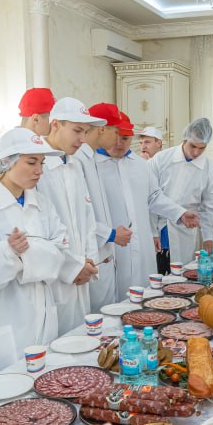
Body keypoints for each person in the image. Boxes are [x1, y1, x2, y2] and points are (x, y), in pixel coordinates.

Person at [0, 128, 74, 375]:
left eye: (41, 163)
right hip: (0, 319)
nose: (39, 171)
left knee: (45, 383)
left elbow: (60, 253)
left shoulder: (42, 203)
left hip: (42, 318)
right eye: (31, 162)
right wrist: (8, 252)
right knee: (6, 388)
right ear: (5, 163)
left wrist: (21, 255)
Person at [95, 112, 192, 301]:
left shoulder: (141, 165)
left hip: (141, 243)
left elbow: (154, 197)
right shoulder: (93, 165)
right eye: (116, 137)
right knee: (113, 301)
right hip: (110, 244)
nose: (119, 143)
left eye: (125, 139)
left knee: (145, 297)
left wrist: (179, 213)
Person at [37, 97, 105, 329]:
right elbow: (37, 231)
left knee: (80, 337)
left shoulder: (75, 165)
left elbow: (87, 218)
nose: (83, 139)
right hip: (52, 277)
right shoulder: (36, 167)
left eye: (85, 132)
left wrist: (89, 264)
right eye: (77, 131)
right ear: (55, 125)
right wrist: (72, 267)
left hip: (81, 275)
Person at [148, 118, 213, 266]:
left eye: (202, 148)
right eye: (193, 146)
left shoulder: (210, 170)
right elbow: (149, 195)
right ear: (185, 138)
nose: (196, 152)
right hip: (156, 225)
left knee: (181, 274)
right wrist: (152, 232)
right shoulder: (161, 159)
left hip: (185, 230)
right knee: (154, 272)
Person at [77, 103, 132, 309]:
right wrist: (109, 234)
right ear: (102, 129)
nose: (118, 139)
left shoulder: (90, 157)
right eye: (116, 132)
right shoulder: (77, 161)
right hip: (90, 253)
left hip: (104, 251)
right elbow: (78, 214)